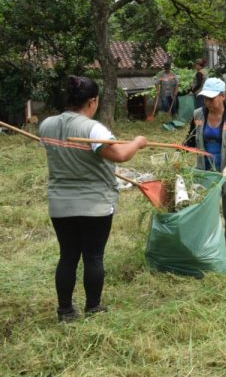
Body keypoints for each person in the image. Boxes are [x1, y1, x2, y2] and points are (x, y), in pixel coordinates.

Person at [38, 76, 148, 322]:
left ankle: (65, 311)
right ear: (93, 101)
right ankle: (93, 307)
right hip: (95, 204)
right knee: (93, 256)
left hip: (60, 204)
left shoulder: (47, 125)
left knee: (67, 256)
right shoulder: (93, 129)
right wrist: (138, 142)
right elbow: (121, 155)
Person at [182, 77, 226, 257]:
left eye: (211, 98)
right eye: (205, 98)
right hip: (204, 172)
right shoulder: (198, 115)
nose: (207, 102)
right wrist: (179, 153)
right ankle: (209, 244)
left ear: (223, 96)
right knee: (206, 211)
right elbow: (191, 139)